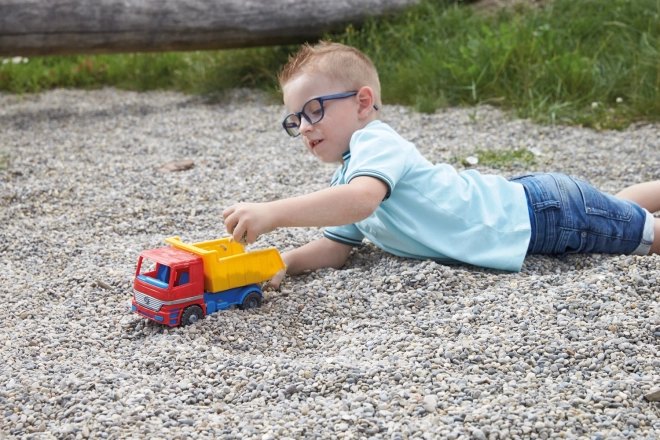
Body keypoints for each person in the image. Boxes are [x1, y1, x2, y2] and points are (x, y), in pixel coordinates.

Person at [222, 41, 660, 288]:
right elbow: (336, 249)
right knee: (612, 210)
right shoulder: (349, 173)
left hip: (544, 216)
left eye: (314, 110)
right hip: (535, 206)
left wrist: (274, 212)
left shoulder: (377, 142)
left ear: (362, 102)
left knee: (643, 235)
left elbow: (359, 202)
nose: (303, 127)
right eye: (295, 118)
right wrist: (280, 261)